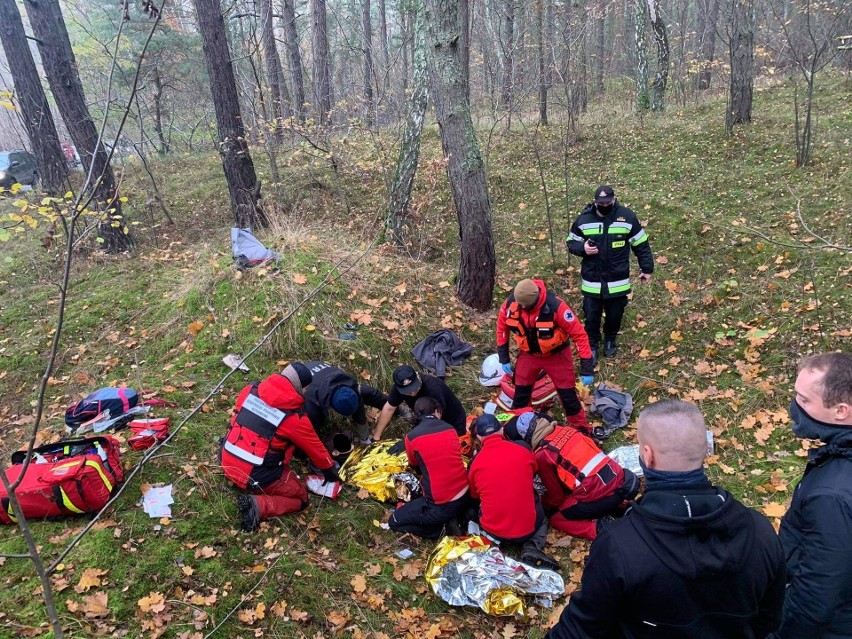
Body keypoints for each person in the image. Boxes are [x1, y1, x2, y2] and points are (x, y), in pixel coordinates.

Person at [546, 399, 786, 639]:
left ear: (647, 456)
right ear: (705, 450)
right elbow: (770, 619)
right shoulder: (760, 530)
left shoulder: (619, 547)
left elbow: (581, 629)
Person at [770, 352, 852, 639]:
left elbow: (819, 592)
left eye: (804, 400)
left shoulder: (831, 496)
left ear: (841, 411)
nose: (794, 408)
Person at [219, 362, 341, 532]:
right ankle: (259, 506)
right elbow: (317, 450)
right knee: (301, 498)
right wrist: (331, 473)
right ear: (301, 388)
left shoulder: (249, 390)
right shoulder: (293, 419)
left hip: (226, 458)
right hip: (255, 475)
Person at [503, 411, 638, 540]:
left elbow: (556, 498)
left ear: (526, 436)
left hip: (596, 492)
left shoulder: (543, 454)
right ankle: (622, 506)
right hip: (618, 476)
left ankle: (598, 528)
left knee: (558, 519)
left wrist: (543, 503)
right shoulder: (568, 430)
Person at [567, 185, 654, 363]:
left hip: (618, 280)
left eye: (607, 202)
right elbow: (571, 242)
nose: (604, 205)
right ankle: (591, 344)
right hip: (592, 280)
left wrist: (647, 269)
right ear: (595, 202)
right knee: (591, 315)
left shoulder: (627, 217)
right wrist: (583, 248)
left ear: (614, 200)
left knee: (615, 314)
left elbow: (641, 244)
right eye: (601, 202)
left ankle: (610, 340)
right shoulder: (584, 219)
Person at [496, 278, 594, 432]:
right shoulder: (510, 305)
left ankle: (581, 428)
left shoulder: (556, 306)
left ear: (534, 301)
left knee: (568, 396)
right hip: (529, 355)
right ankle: (517, 426)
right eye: (519, 304)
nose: (521, 307)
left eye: (524, 305)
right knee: (520, 393)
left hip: (557, 355)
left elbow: (579, 335)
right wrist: (503, 357)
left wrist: (587, 368)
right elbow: (502, 329)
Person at [468, 414, 560, 571]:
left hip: (494, 532)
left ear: (478, 437)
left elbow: (475, 496)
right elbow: (533, 471)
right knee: (541, 515)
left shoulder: (474, 464)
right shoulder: (522, 448)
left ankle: (492, 547)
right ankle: (531, 545)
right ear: (502, 430)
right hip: (527, 529)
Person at [388, 397, 472, 538]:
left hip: (441, 505)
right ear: (437, 411)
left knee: (394, 521)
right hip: (465, 494)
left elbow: (414, 465)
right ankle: (454, 518)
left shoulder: (412, 437)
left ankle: (441, 529)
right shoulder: (450, 429)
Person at [371, 365, 466, 441]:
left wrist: (415, 438)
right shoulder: (399, 388)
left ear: (417, 376)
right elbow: (389, 408)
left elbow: (436, 418)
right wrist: (376, 437)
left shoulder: (433, 389)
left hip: (452, 421)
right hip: (425, 416)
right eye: (407, 391)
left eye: (414, 388)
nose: (412, 394)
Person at [303, 360, 388, 443]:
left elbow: (359, 409)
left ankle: (397, 409)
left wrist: (364, 437)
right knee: (316, 422)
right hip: (301, 378)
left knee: (368, 393)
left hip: (317, 367)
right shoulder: (311, 404)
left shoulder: (347, 381)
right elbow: (310, 433)